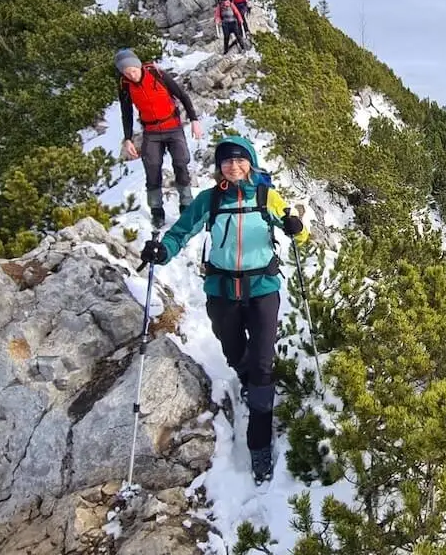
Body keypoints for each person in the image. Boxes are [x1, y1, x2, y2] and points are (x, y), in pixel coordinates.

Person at [139, 135, 309, 484]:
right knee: (234, 351)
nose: (233, 166)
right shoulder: (210, 199)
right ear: (220, 166)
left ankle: (259, 444)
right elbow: (181, 231)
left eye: (240, 159)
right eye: (227, 160)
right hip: (222, 290)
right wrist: (163, 251)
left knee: (262, 364)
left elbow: (296, 230)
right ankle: (246, 380)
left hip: (262, 289)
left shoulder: (266, 196)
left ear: (251, 163)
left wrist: (297, 227)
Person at [115, 48, 203, 228]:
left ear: (139, 66)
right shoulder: (125, 86)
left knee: (181, 163)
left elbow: (182, 95)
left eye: (133, 70)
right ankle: (157, 211)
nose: (131, 75)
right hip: (151, 131)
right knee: (152, 169)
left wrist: (194, 120)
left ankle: (186, 205)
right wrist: (128, 138)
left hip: (173, 127)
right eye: (126, 73)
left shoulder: (157, 74)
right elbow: (126, 113)